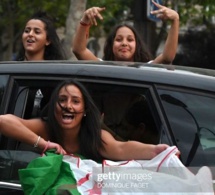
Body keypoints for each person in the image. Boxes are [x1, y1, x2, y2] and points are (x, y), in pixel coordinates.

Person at [0, 79, 171, 162]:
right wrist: (43, 144)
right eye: (62, 100)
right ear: (54, 107)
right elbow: (4, 121)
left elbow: (121, 148)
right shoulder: (45, 127)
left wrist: (156, 151)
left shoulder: (95, 136)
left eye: (75, 101)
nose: (68, 106)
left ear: (85, 111)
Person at [72, 1, 179, 64]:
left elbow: (167, 57)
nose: (124, 43)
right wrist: (85, 20)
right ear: (111, 44)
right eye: (118, 39)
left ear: (137, 45)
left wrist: (175, 20)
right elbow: (79, 50)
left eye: (130, 39)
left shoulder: (146, 69)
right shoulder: (102, 67)